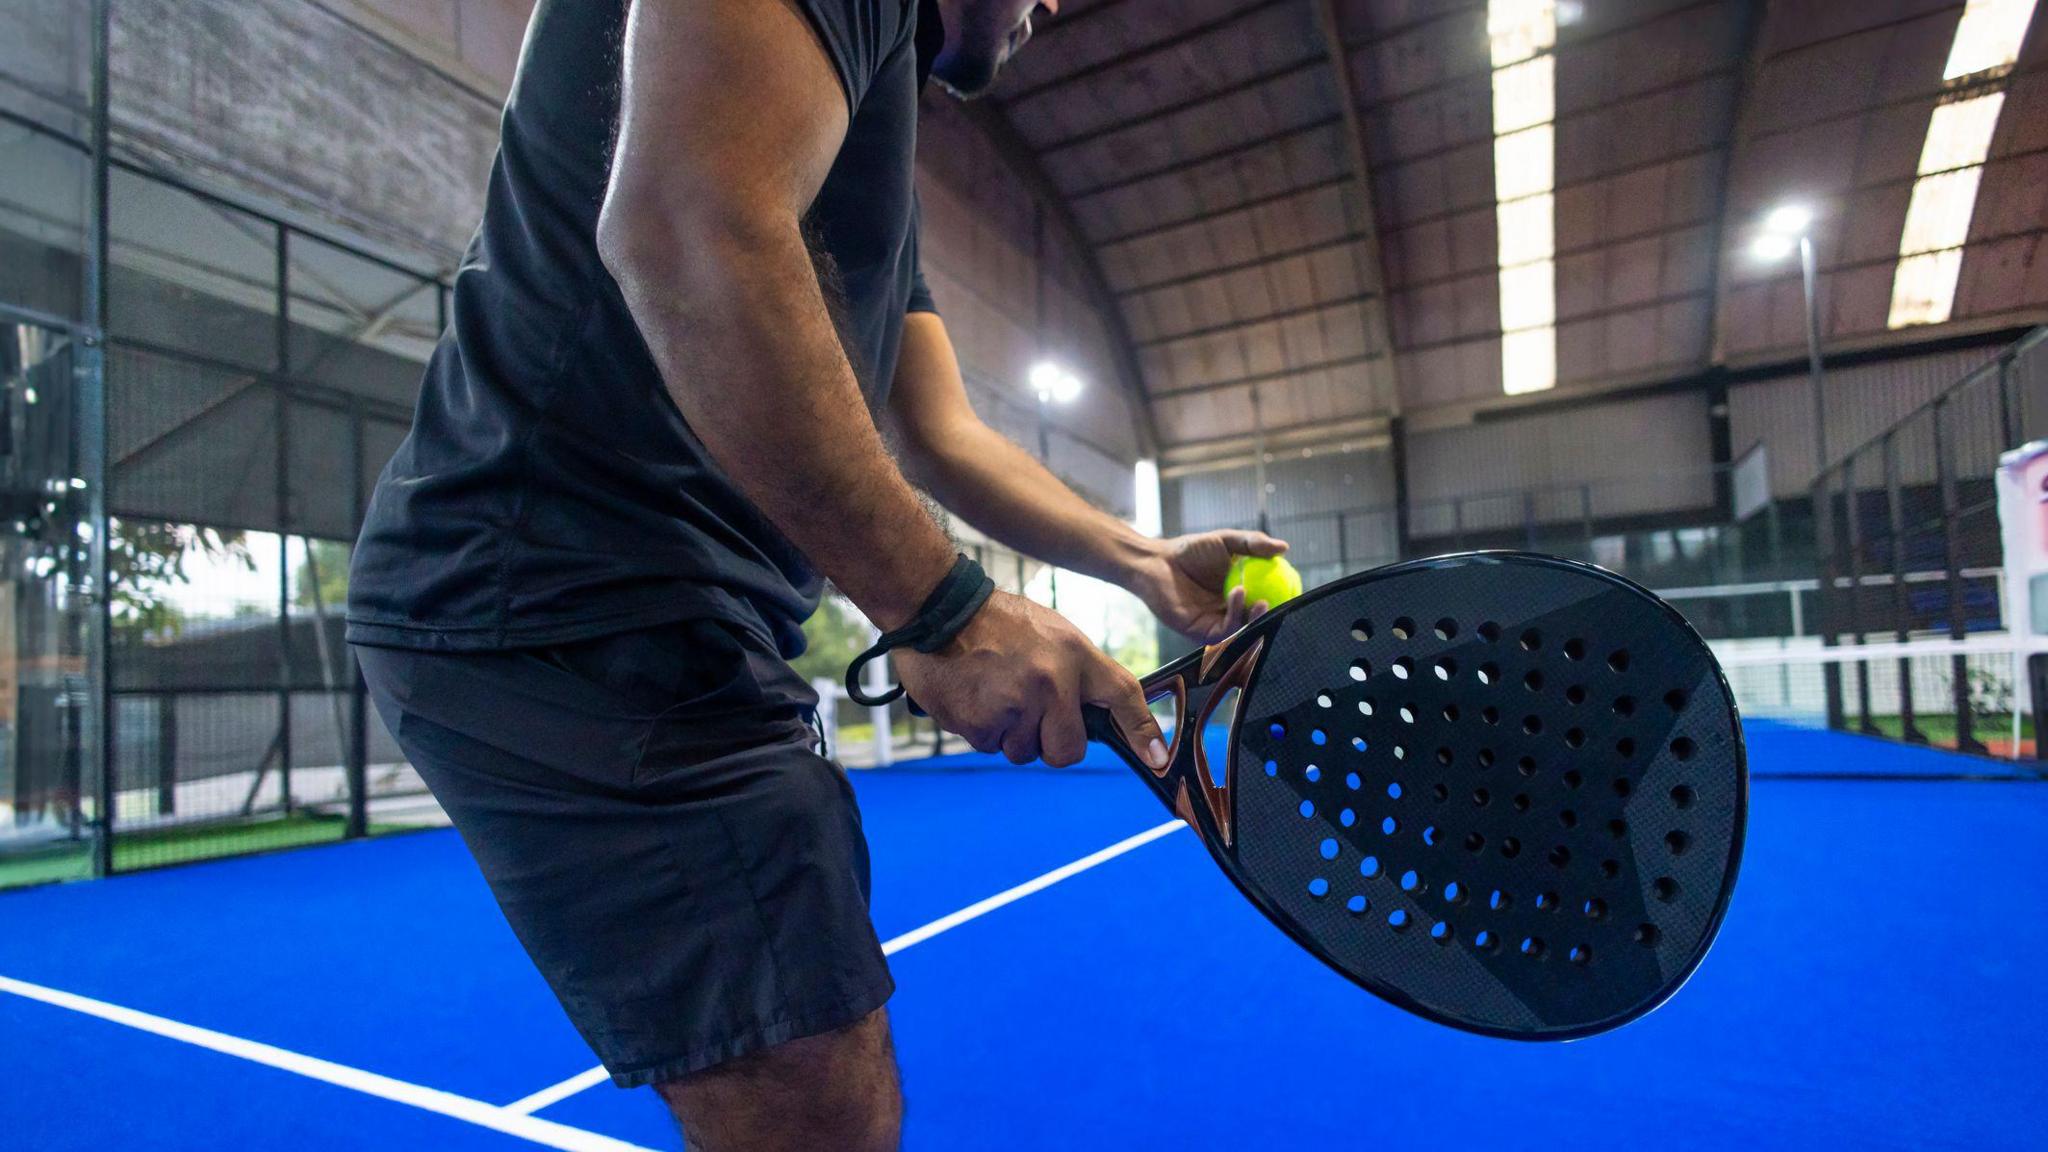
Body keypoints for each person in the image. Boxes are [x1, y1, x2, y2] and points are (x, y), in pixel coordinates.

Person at [345, 1, 1287, 1148]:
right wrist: (942, 612)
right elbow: (684, 224)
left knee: (815, 1075)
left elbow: (943, 435)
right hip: (565, 589)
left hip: (651, 612)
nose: (1055, 2)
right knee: (810, 1090)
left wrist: (1142, 561)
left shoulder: (859, 129)